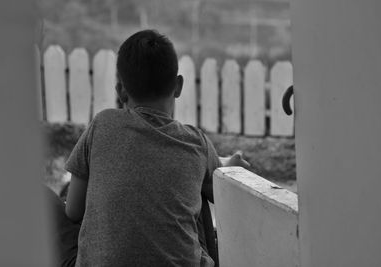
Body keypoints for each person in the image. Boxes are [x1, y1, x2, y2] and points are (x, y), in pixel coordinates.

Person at [64, 29, 249, 267]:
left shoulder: (102, 124)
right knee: (200, 195)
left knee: (48, 199)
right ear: (178, 86)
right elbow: (217, 188)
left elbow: (73, 212)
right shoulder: (194, 142)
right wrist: (227, 167)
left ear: (120, 91)